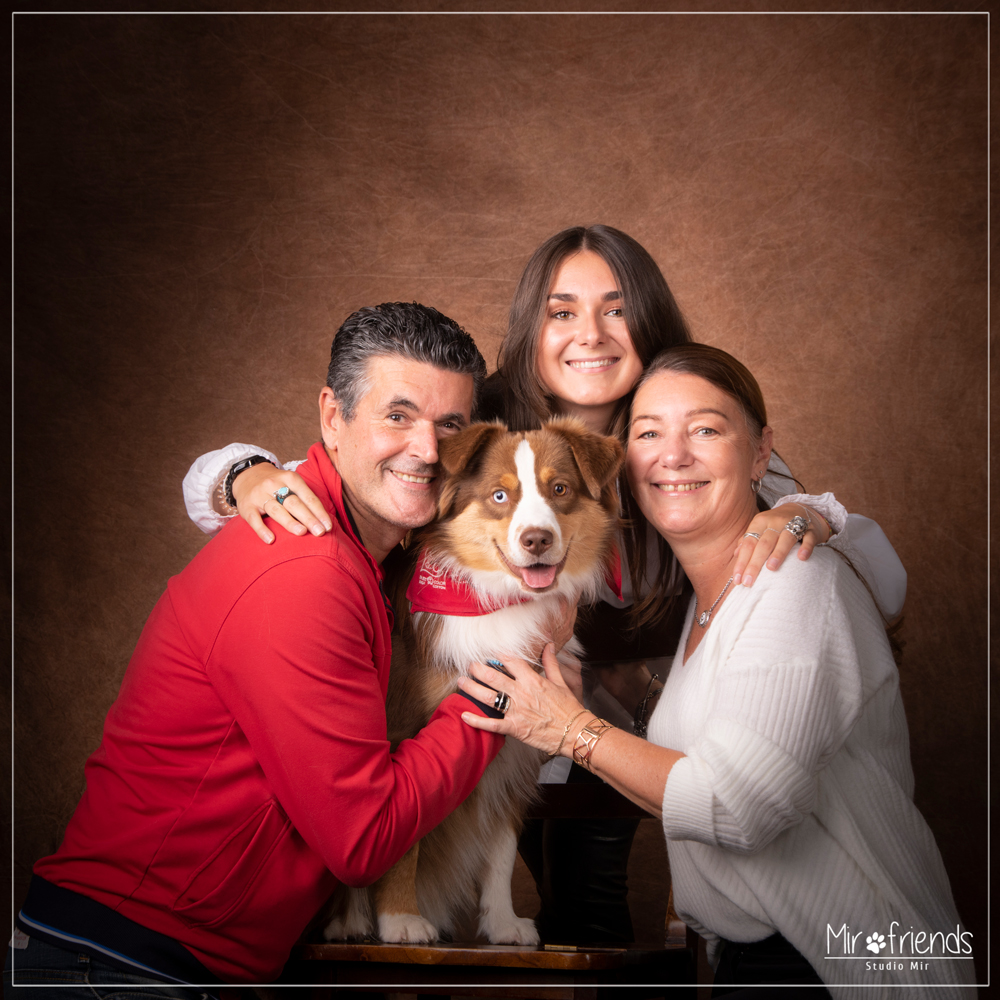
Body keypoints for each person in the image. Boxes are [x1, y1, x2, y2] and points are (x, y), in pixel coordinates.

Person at [181, 226, 906, 943]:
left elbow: (874, 571)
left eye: (615, 308)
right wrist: (242, 472)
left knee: (598, 910)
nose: (589, 333)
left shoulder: (675, 426)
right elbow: (371, 460)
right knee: (501, 881)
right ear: (533, 328)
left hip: (634, 723)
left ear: (648, 321)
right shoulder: (483, 416)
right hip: (474, 686)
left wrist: (806, 517)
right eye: (562, 312)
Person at [6, 302, 510, 996]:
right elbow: (361, 841)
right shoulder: (307, 570)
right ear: (333, 418)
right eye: (397, 416)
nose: (426, 448)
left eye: (449, 425)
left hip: (169, 963)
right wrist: (497, 693)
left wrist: (238, 469)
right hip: (116, 965)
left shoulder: (377, 544)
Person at [456, 343, 973, 998]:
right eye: (649, 433)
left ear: (761, 454)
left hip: (853, 964)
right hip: (761, 964)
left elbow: (736, 807)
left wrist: (571, 731)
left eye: (705, 429)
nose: (673, 455)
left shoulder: (793, 580)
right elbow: (692, 772)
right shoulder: (706, 605)